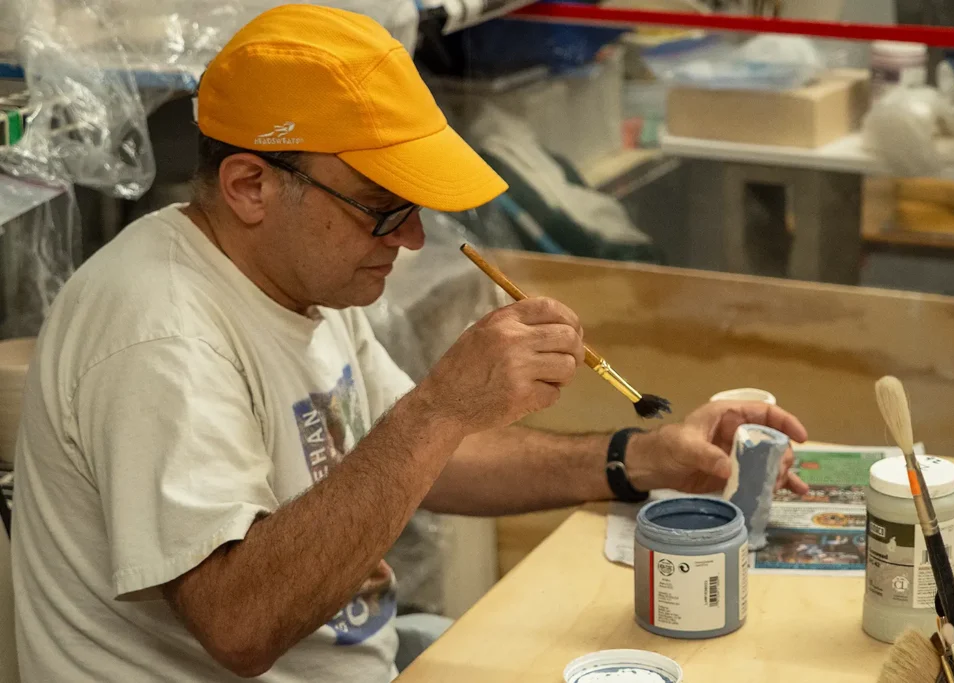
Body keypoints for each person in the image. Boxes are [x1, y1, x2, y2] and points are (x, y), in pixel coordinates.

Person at [10, 5, 810, 682]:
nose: (414, 237)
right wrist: (437, 406)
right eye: (381, 209)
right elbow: (239, 620)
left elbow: (426, 459)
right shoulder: (161, 332)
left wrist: (640, 456)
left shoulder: (299, 274)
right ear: (250, 187)